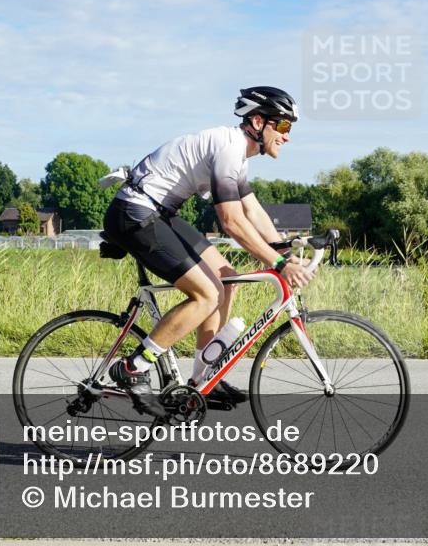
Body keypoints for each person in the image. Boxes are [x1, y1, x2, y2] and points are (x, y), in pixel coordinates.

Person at [101, 86, 314, 417]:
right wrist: (278, 262)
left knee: (226, 278)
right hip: (136, 213)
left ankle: (203, 378)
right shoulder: (228, 148)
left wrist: (285, 248)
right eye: (283, 126)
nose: (287, 136)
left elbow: (251, 210)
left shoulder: (235, 154)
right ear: (258, 122)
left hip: (159, 213)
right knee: (206, 294)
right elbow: (231, 221)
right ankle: (134, 367)